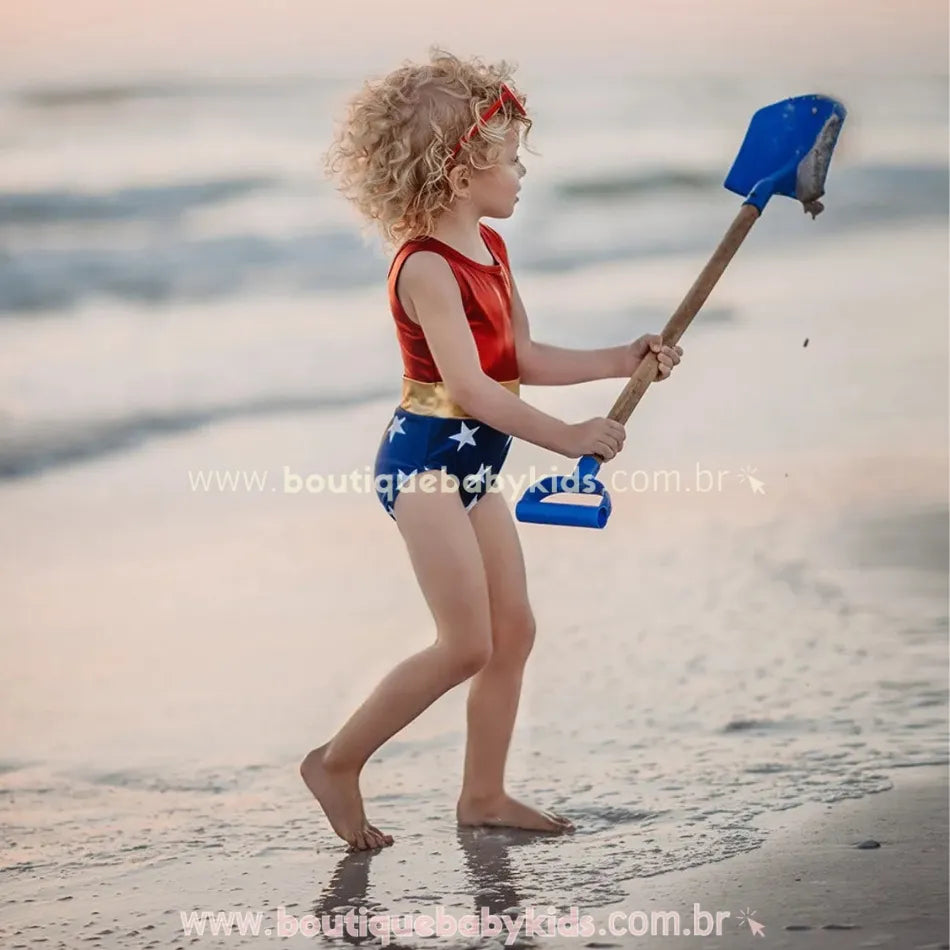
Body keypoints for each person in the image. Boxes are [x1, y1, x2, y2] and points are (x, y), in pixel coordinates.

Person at [303, 48, 683, 852]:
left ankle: (482, 794)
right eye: (508, 159)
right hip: (425, 469)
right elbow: (472, 391)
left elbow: (523, 360)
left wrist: (624, 358)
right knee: (466, 643)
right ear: (456, 168)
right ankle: (336, 762)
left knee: (513, 633)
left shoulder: (492, 251)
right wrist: (569, 439)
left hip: (474, 470)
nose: (520, 174)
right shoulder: (425, 268)